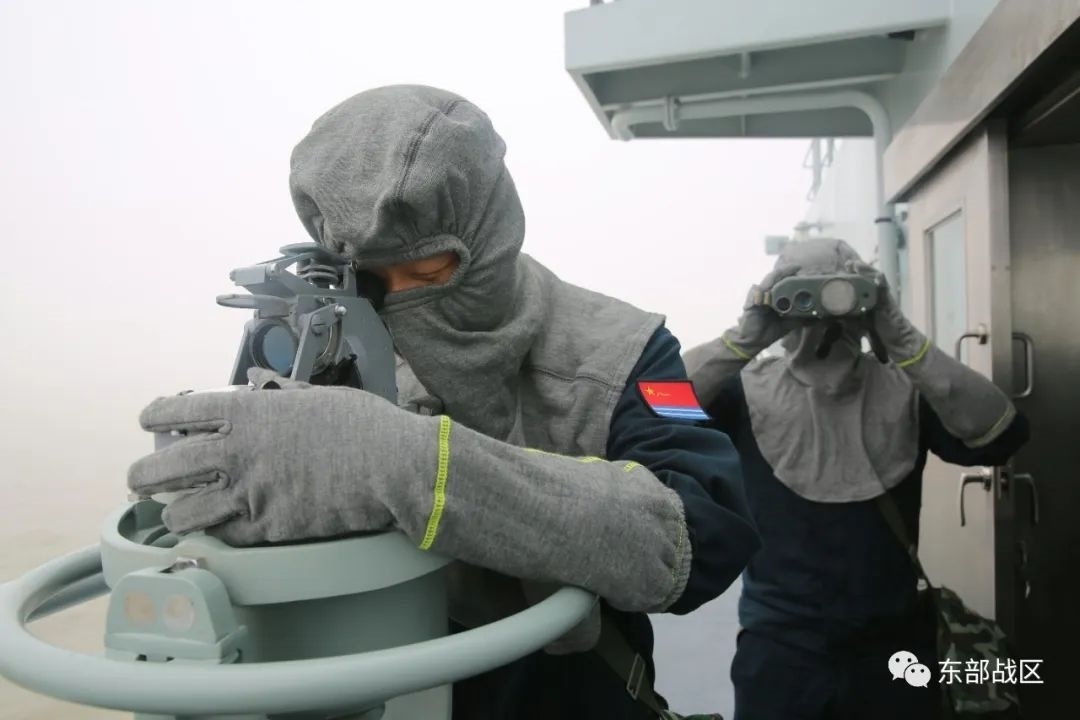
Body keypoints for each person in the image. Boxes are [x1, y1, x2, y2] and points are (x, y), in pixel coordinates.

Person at [126, 85, 757, 719]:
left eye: (428, 272)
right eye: (375, 277)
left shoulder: (625, 349)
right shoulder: (333, 332)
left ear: (491, 235)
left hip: (563, 690)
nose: (402, 297)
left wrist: (411, 468)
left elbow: (704, 538)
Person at [683, 238, 1030, 720]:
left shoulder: (905, 391)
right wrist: (744, 339)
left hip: (892, 648)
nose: (823, 316)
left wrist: (901, 337)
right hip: (782, 648)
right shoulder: (745, 393)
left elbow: (1001, 433)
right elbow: (655, 405)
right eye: (802, 296)